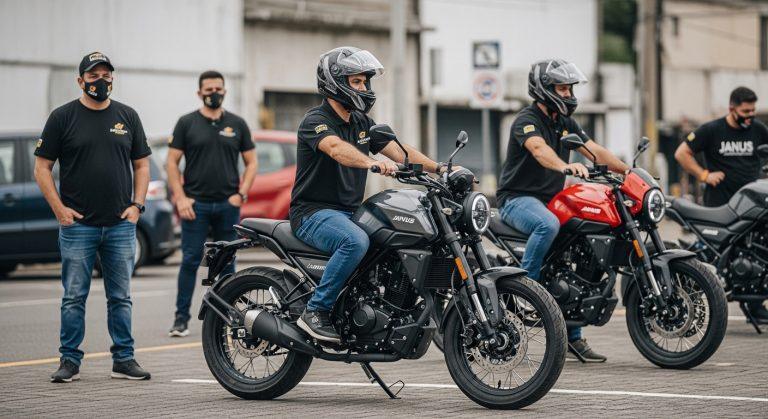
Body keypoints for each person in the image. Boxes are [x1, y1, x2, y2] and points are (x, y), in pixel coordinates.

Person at [291, 46, 446, 342]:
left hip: (350, 211)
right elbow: (336, 149)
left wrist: (440, 168)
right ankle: (315, 311)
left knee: (393, 236)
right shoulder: (315, 121)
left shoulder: (362, 123)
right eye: (357, 82)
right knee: (354, 241)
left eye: (365, 82)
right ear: (334, 82)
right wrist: (371, 162)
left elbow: (401, 152)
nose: (365, 88)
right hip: (313, 213)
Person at [496, 59, 629, 362]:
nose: (568, 94)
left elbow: (595, 151)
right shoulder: (526, 120)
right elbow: (540, 150)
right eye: (562, 88)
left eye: (570, 88)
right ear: (544, 90)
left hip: (552, 199)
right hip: (518, 199)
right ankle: (525, 290)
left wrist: (628, 172)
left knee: (582, 250)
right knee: (548, 225)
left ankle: (573, 335)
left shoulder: (564, 122)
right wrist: (565, 165)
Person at [34, 52, 152, 382]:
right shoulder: (62, 117)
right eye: (94, 75)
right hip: (78, 226)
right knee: (74, 297)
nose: (102, 80)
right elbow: (41, 167)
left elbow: (142, 164)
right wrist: (59, 209)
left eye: (107, 74)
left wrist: (136, 206)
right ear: (81, 80)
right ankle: (69, 361)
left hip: (119, 225)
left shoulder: (127, 116)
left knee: (121, 297)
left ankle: (124, 359)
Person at [166, 70, 258, 337]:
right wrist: (180, 197)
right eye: (208, 90)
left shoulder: (237, 124)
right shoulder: (186, 123)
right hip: (196, 206)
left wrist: (241, 193)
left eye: (218, 88)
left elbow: (251, 162)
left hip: (228, 205)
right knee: (191, 260)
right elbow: (172, 162)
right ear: (199, 93)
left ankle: (229, 315)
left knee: (227, 262)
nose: (214, 93)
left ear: (225, 91)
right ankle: (180, 319)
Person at [674, 86, 768, 322]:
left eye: (753, 110)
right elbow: (682, 153)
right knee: (713, 255)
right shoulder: (712, 130)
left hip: (752, 206)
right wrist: (704, 175)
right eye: (745, 111)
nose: (750, 116)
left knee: (753, 252)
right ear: (731, 108)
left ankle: (755, 304)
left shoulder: (759, 130)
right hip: (720, 205)